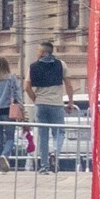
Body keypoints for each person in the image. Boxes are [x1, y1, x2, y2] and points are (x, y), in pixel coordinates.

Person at [27, 41, 67, 171]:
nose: (36, 52)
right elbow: (69, 84)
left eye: (38, 50)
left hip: (40, 104)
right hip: (56, 104)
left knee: (42, 136)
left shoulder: (33, 66)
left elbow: (27, 87)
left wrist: (35, 99)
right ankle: (55, 152)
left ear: (43, 52)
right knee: (59, 132)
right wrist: (71, 102)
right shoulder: (61, 65)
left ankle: (44, 166)